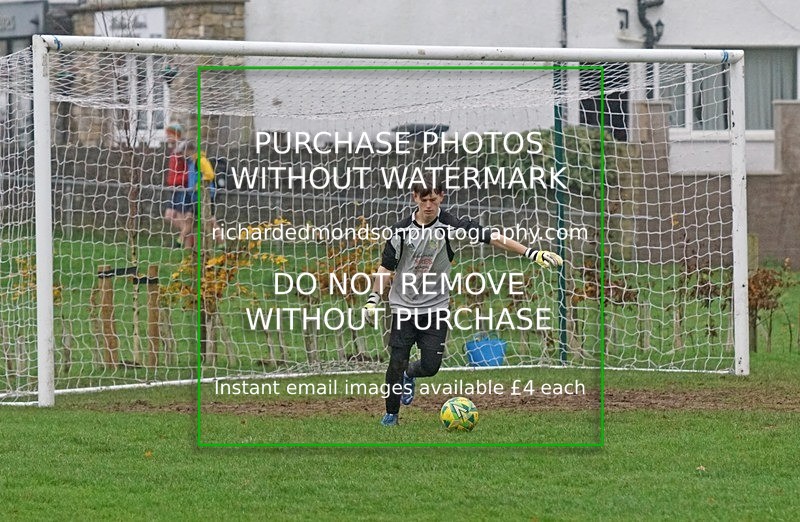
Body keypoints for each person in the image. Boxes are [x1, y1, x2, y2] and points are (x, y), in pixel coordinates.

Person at [363, 172, 563, 427]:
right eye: (423, 199)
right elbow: (385, 268)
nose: (428, 205)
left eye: (433, 199)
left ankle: (409, 375)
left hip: (435, 308)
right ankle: (391, 415)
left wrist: (532, 253)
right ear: (414, 198)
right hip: (403, 306)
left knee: (431, 366)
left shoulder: (451, 226)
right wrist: (373, 299)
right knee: (396, 360)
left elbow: (493, 238)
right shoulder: (401, 232)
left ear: (441, 197)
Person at [179, 140, 218, 250]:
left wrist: (200, 184)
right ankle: (182, 243)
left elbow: (210, 174)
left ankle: (221, 243)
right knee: (190, 219)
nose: (182, 155)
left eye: (183, 152)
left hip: (205, 196)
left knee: (210, 220)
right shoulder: (191, 162)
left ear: (189, 150)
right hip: (195, 197)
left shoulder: (200, 161)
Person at [163, 123, 190, 247]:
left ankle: (187, 243)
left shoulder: (182, 150)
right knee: (169, 216)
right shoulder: (174, 151)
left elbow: (189, 170)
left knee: (181, 217)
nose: (167, 137)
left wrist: (179, 180)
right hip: (174, 188)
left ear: (176, 135)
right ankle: (187, 237)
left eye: (169, 134)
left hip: (182, 189)